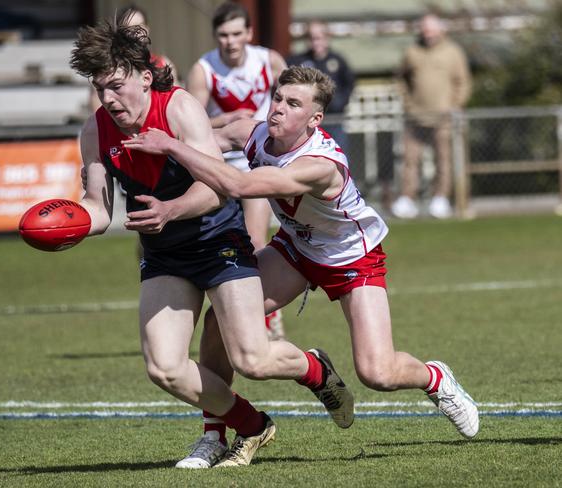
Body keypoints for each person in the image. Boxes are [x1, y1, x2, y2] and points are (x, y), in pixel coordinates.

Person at [125, 66, 480, 460]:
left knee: (377, 373)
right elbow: (201, 135)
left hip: (351, 258)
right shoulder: (255, 132)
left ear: (315, 119)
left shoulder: (320, 165)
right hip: (295, 249)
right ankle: (214, 435)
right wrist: (146, 117)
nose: (277, 109)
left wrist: (172, 147)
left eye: (293, 104)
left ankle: (435, 378)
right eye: (278, 98)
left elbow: (239, 186)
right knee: (220, 323)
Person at [70, 19, 354, 469]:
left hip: (218, 241)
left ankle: (315, 369)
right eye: (99, 88)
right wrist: (68, 225)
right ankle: (253, 425)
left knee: (253, 358)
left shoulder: (180, 108)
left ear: (145, 78)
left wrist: (168, 210)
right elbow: (99, 207)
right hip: (165, 256)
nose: (107, 99)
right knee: (164, 367)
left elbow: (215, 189)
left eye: (116, 86)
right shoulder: (95, 130)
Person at [186, 2, 287, 339]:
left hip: (257, 160)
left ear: (248, 33)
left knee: (256, 239)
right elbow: (190, 121)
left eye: (235, 34)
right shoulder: (204, 69)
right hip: (219, 162)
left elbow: (294, 104)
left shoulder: (269, 61)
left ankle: (266, 317)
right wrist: (224, 120)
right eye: (223, 35)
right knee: (212, 239)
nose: (229, 41)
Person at [392, 13, 471, 219]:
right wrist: (408, 103)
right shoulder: (412, 52)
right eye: (424, 29)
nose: (427, 33)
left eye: (431, 29)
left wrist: (454, 105)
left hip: (443, 118)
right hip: (415, 117)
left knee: (443, 160)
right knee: (410, 160)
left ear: (440, 30)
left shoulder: (453, 52)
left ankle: (440, 198)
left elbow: (463, 82)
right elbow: (400, 80)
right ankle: (408, 199)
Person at [88, 5, 178, 114]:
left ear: (147, 29)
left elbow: (175, 102)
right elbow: (98, 110)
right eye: (128, 28)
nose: (134, 33)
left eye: (138, 27)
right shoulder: (106, 65)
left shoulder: (164, 64)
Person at [286, 19, 355, 152]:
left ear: (327, 38)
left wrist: (340, 102)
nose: (315, 42)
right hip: (308, 123)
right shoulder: (298, 61)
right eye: (312, 38)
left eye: (319, 38)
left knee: (337, 158)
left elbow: (349, 84)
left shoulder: (338, 61)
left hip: (334, 121)